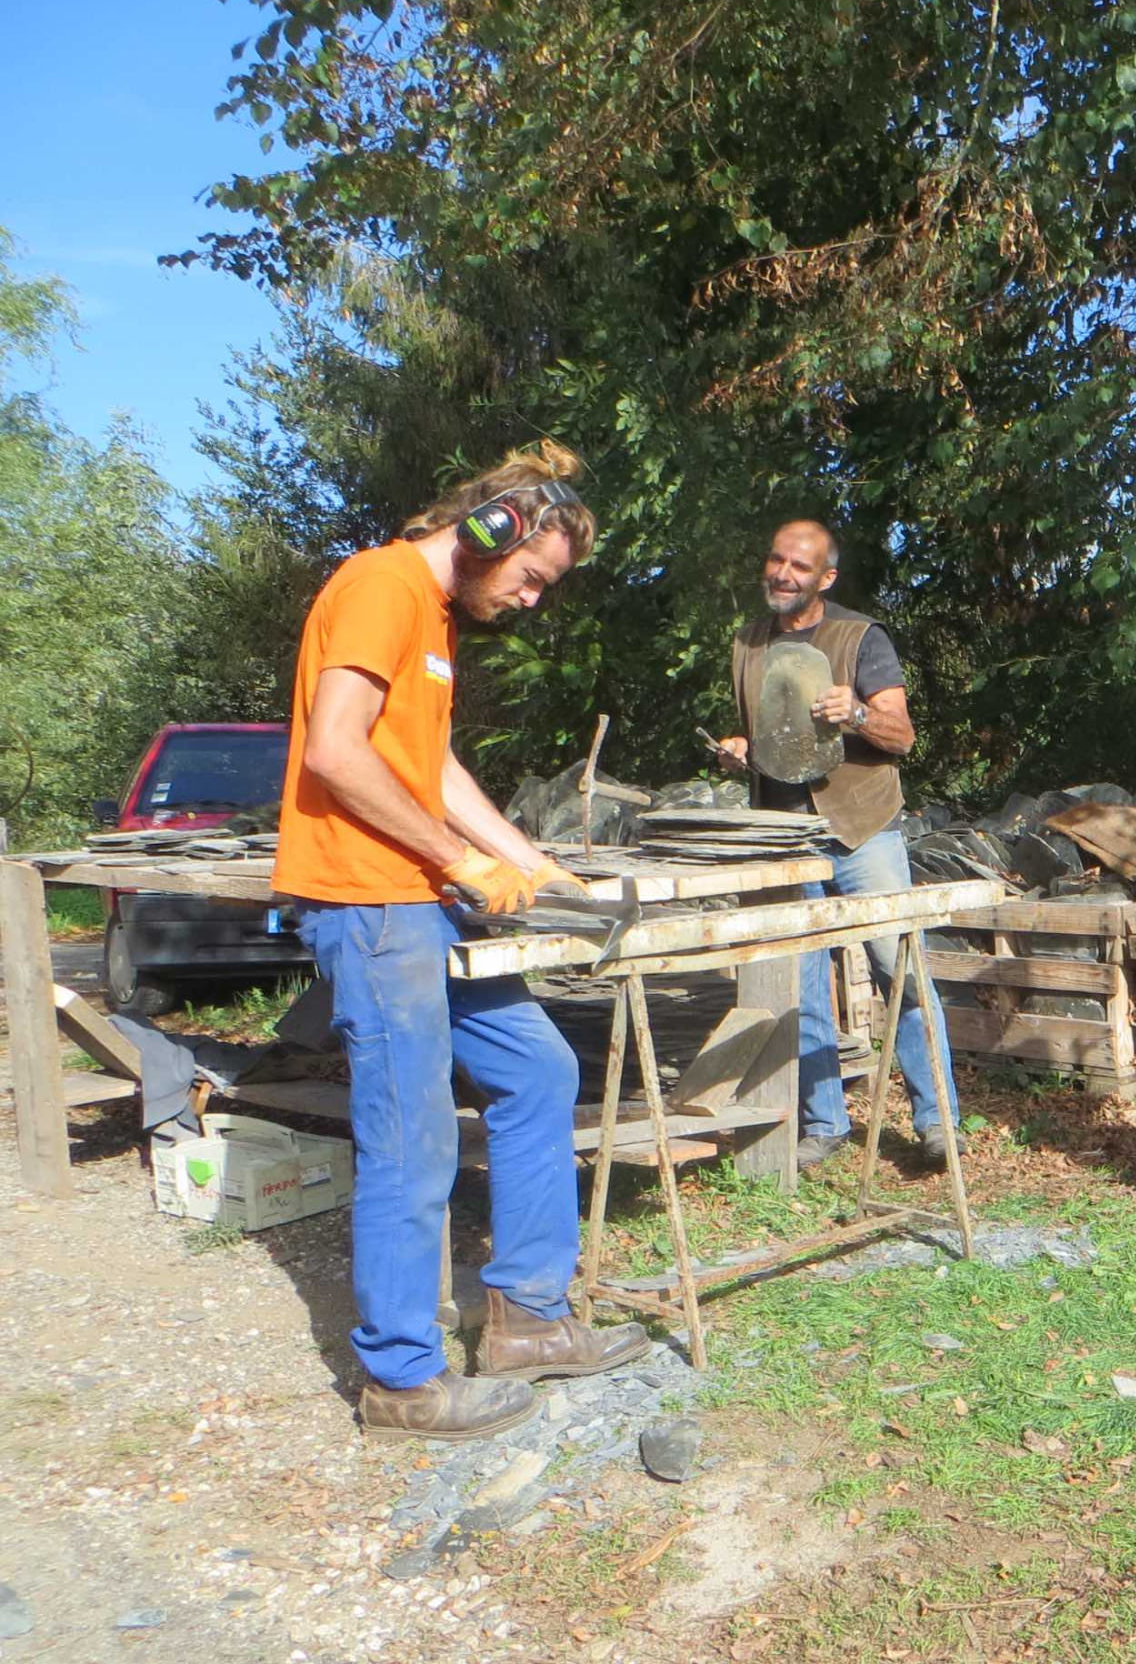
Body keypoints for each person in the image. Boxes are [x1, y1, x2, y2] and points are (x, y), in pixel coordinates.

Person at [275, 442, 648, 1442]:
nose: (532, 599)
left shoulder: (429, 620)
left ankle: (527, 1317)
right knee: (412, 1125)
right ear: (493, 531)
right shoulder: (378, 586)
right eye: (534, 577)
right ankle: (403, 1381)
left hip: (422, 895)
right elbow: (336, 751)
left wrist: (527, 860)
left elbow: (426, 763)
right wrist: (459, 858)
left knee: (535, 1068)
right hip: (370, 900)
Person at [717, 520, 958, 1168]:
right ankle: (824, 1123)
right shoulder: (748, 644)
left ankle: (938, 1121)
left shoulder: (859, 637)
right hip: (782, 831)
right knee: (798, 979)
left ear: (825, 578)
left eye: (799, 566)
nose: (782, 574)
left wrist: (853, 713)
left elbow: (902, 736)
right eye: (776, 560)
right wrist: (743, 751)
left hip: (859, 826)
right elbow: (770, 736)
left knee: (898, 966)